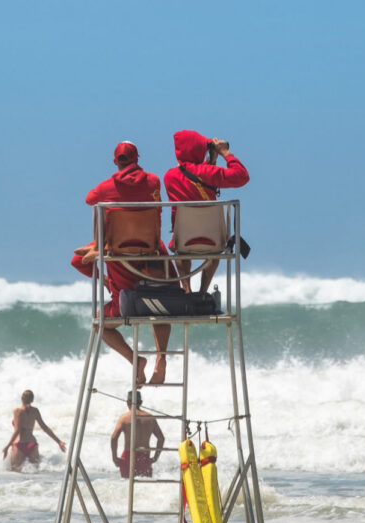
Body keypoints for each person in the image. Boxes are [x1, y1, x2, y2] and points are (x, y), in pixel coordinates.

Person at [71, 141, 172, 386]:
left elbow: (88, 199)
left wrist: (102, 253)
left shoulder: (107, 187)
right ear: (138, 159)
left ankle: (135, 360)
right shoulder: (154, 181)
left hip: (125, 298)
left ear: (116, 161)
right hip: (151, 259)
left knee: (101, 323)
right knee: (161, 306)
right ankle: (161, 358)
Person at [163, 130, 250, 293]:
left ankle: (187, 290)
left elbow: (193, 179)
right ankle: (203, 292)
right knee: (214, 251)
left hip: (183, 238)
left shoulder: (169, 177)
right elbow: (242, 176)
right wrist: (225, 153)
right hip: (213, 239)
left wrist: (211, 161)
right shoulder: (208, 173)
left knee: (180, 249)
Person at [2, 390, 66, 471]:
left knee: (15, 472)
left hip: (19, 444)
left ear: (22, 399)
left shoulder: (17, 411)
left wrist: (7, 446)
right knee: (35, 473)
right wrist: (59, 441)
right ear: (32, 400)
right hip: (32, 444)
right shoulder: (35, 411)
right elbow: (45, 428)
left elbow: (17, 430)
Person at [110, 391, 165, 479]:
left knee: (127, 486)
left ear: (127, 402)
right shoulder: (150, 418)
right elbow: (161, 438)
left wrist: (114, 458)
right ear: (141, 403)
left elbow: (114, 438)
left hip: (128, 457)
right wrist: (155, 457)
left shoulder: (124, 418)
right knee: (145, 487)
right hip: (145, 457)